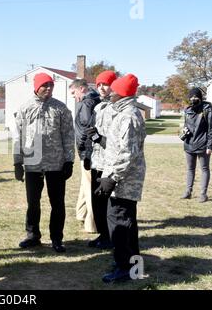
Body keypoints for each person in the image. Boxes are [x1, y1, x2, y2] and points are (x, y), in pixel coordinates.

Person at [13, 73, 75, 253]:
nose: (48, 88)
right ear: (36, 87)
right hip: (32, 164)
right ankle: (33, 235)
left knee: (57, 203)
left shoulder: (61, 109)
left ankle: (57, 238)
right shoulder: (25, 108)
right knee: (33, 202)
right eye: (44, 85)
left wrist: (69, 161)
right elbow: (18, 136)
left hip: (56, 164)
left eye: (51, 85)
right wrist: (17, 162)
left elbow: (68, 136)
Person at [94, 74, 146, 283]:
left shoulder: (129, 116)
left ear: (121, 93)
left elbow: (126, 153)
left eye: (113, 90)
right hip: (121, 177)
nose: (110, 92)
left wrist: (112, 178)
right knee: (125, 223)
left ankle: (126, 267)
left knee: (121, 224)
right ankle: (131, 264)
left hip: (125, 180)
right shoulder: (123, 112)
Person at [86, 71, 116, 250]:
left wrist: (99, 138)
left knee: (108, 203)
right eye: (98, 85)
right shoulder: (98, 107)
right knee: (97, 202)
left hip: (110, 163)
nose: (102, 88)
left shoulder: (116, 107)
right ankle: (103, 235)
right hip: (97, 160)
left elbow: (117, 139)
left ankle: (111, 237)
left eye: (105, 84)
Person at [69, 79, 100, 234]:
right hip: (86, 152)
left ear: (82, 88)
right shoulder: (93, 100)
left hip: (88, 152)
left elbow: (88, 129)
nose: (74, 97)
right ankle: (81, 214)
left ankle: (92, 225)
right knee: (85, 183)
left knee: (90, 188)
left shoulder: (87, 104)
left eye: (74, 93)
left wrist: (83, 149)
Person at [180, 87, 212, 203]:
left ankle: (203, 194)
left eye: (196, 96)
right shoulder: (187, 110)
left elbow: (211, 129)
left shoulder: (207, 109)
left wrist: (210, 146)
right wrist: (183, 132)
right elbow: (185, 125)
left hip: (203, 145)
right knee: (190, 169)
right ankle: (188, 192)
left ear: (200, 97)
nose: (193, 99)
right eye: (191, 97)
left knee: (204, 169)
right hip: (189, 144)